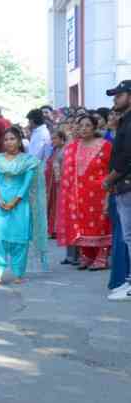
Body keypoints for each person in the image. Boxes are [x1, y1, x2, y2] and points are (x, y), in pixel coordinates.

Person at [0, 127, 44, 287]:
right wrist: (0, 201)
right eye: (5, 139)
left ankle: (18, 272)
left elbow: (26, 184)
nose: (9, 142)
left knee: (19, 240)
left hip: (20, 204)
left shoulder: (28, 161)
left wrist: (14, 201)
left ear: (19, 141)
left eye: (12, 139)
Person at [58, 115, 112, 270]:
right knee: (81, 225)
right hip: (78, 193)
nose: (84, 128)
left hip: (99, 192)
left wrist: (108, 188)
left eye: (88, 125)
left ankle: (101, 257)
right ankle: (87, 255)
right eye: (81, 125)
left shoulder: (105, 145)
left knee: (100, 224)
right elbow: (66, 171)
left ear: (95, 127)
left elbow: (110, 168)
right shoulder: (73, 146)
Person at [102, 80, 131, 301]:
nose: (115, 99)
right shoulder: (125, 121)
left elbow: (127, 158)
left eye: (119, 95)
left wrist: (110, 179)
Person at [46, 130, 67, 239]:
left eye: (55, 138)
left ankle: (58, 231)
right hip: (52, 183)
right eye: (52, 138)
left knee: (59, 206)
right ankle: (53, 230)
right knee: (53, 206)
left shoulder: (65, 150)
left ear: (62, 139)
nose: (52, 141)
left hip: (61, 182)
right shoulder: (55, 150)